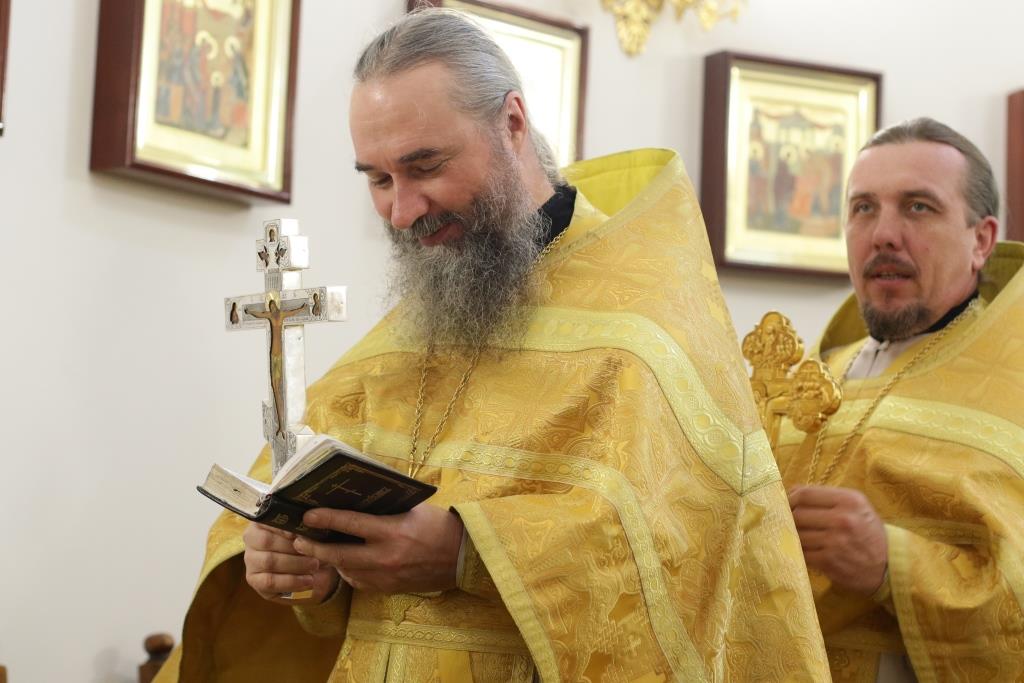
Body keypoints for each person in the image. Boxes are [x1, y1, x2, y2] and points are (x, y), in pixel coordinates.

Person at [155, 9, 829, 682]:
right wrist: (306, 570)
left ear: (511, 123)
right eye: (378, 179)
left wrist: (467, 554)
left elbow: (696, 556)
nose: (402, 211)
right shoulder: (412, 331)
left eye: (425, 166)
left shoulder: (645, 322)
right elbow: (306, 552)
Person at [777, 117, 1024, 682]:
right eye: (864, 208)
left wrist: (894, 566)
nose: (883, 233)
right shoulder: (809, 377)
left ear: (981, 240)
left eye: (918, 207)